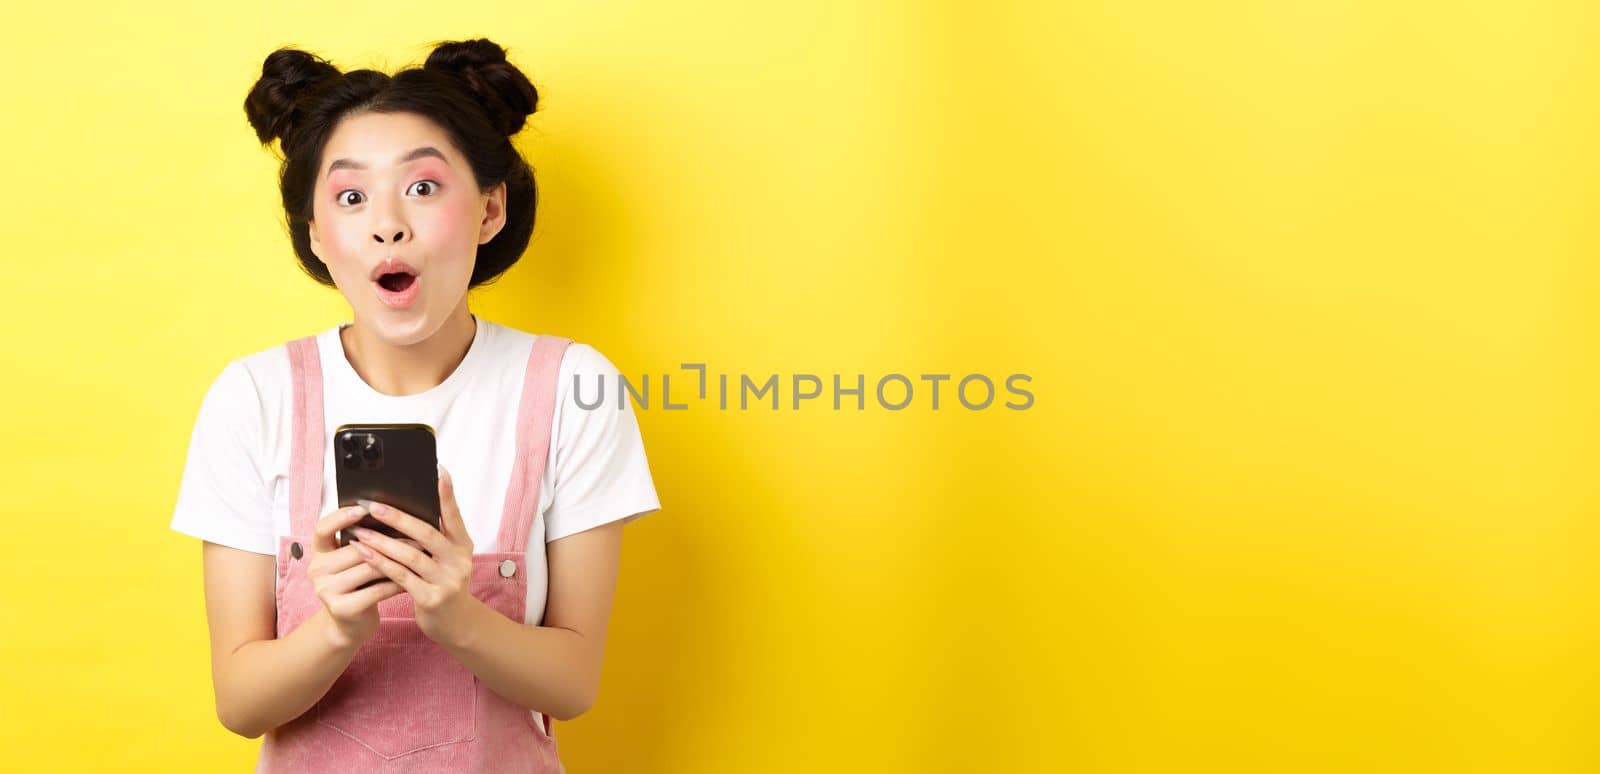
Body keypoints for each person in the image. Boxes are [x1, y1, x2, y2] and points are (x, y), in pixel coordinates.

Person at [168, 38, 661, 772]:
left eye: (423, 188)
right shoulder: (254, 398)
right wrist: (336, 627)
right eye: (351, 196)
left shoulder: (570, 389)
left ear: (491, 208)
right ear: (317, 234)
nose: (387, 224)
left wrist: (455, 616)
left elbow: (572, 683)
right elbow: (239, 703)